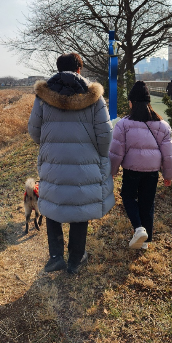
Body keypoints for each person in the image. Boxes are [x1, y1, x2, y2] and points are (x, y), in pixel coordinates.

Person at [28, 53, 115, 274]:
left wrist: (49, 146)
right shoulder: (94, 96)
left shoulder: (43, 96)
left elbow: (34, 131)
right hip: (85, 160)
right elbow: (105, 134)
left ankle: (56, 256)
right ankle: (76, 259)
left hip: (53, 160)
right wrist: (100, 155)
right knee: (80, 206)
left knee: (52, 203)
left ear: (58, 69)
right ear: (79, 69)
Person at [109, 81, 172, 250]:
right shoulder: (162, 125)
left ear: (131, 102)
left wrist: (112, 170)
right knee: (147, 203)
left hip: (131, 169)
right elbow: (168, 154)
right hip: (152, 171)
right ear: (148, 102)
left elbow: (116, 151)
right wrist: (168, 175)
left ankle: (139, 228)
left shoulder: (123, 124)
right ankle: (145, 242)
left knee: (128, 196)